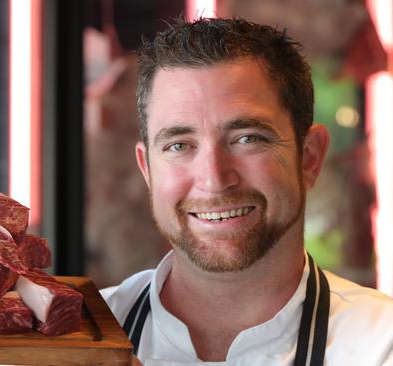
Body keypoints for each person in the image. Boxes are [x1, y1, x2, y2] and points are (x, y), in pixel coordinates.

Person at [100, 16, 393, 365]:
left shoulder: (380, 345)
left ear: (309, 157)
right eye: (179, 145)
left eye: (247, 139)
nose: (214, 178)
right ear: (147, 168)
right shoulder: (66, 343)